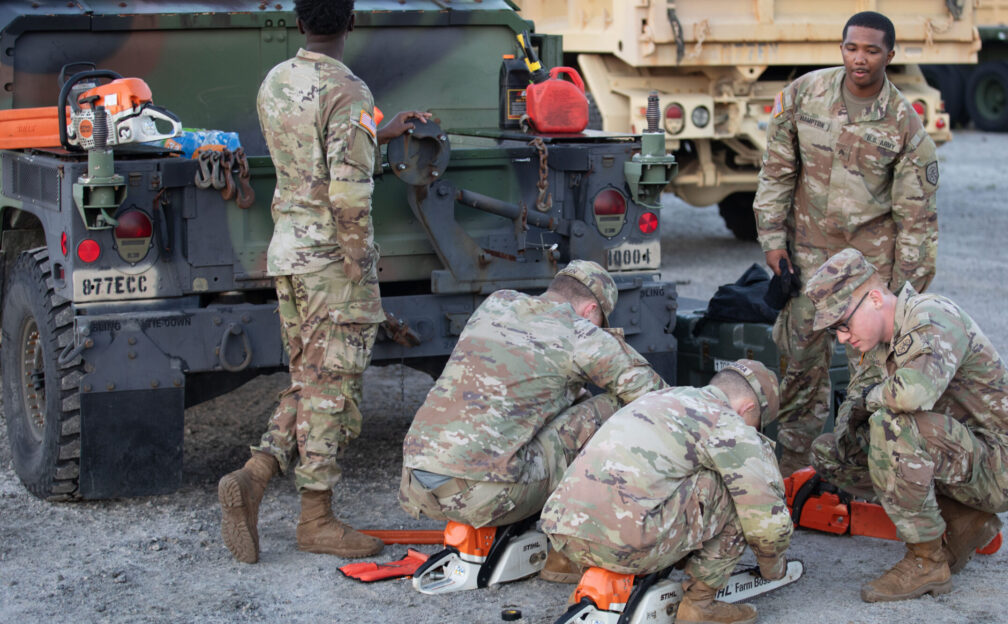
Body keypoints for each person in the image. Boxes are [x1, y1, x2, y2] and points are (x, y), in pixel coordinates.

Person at [218, 0, 431, 564]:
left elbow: (309, 156)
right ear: (352, 22)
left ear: (298, 23)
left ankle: (255, 476)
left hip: (288, 252)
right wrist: (361, 267)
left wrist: (377, 135)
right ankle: (315, 519)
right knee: (332, 390)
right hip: (331, 263)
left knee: (309, 378)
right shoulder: (350, 92)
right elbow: (346, 195)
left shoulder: (277, 81)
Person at [753, 10, 940, 474]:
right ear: (842, 48)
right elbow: (776, 172)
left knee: (872, 384)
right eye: (852, 48)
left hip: (868, 271)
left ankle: (867, 478)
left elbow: (916, 222)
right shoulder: (803, 95)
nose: (860, 59)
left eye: (872, 50)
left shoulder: (904, 126)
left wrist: (901, 296)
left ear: (889, 56)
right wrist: (773, 241)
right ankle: (796, 478)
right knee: (799, 373)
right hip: (806, 262)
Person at [397, 260, 667, 578]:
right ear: (591, 309)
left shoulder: (496, 304)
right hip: (485, 498)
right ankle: (566, 553)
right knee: (610, 406)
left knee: (561, 406)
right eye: (600, 321)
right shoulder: (582, 334)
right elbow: (659, 401)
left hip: (416, 487)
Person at [805, 248, 1008, 602]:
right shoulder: (876, 348)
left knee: (890, 426)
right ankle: (962, 518)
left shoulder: (932, 315)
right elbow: (853, 420)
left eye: (843, 323)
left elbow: (911, 395)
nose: (841, 337)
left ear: (873, 298)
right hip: (958, 455)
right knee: (831, 453)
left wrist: (869, 403)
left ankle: (927, 561)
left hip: (1004, 466)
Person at [542, 360, 793, 624]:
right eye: (756, 424)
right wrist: (773, 567)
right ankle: (700, 606)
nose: (752, 431)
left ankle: (564, 565)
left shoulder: (661, 397)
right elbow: (767, 524)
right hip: (626, 543)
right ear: (748, 408)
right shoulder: (727, 421)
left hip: (563, 531)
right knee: (741, 491)